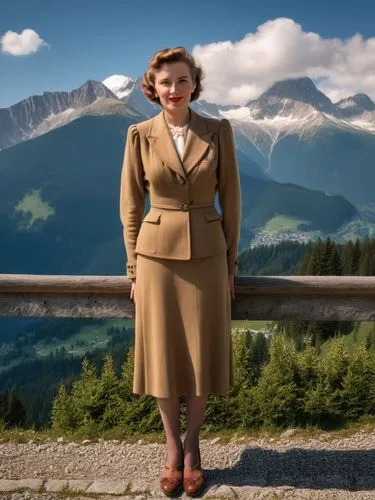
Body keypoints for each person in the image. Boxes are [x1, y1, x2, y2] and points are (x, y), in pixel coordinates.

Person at [119, 46, 242, 497]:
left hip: (210, 255)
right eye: (166, 81)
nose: (174, 89)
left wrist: (231, 264)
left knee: (201, 354)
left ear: (195, 84)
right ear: (154, 88)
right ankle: (172, 449)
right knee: (164, 356)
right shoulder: (138, 134)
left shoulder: (218, 131)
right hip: (154, 259)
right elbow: (131, 204)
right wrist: (133, 264)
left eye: (182, 80)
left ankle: (194, 447)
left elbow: (231, 198)